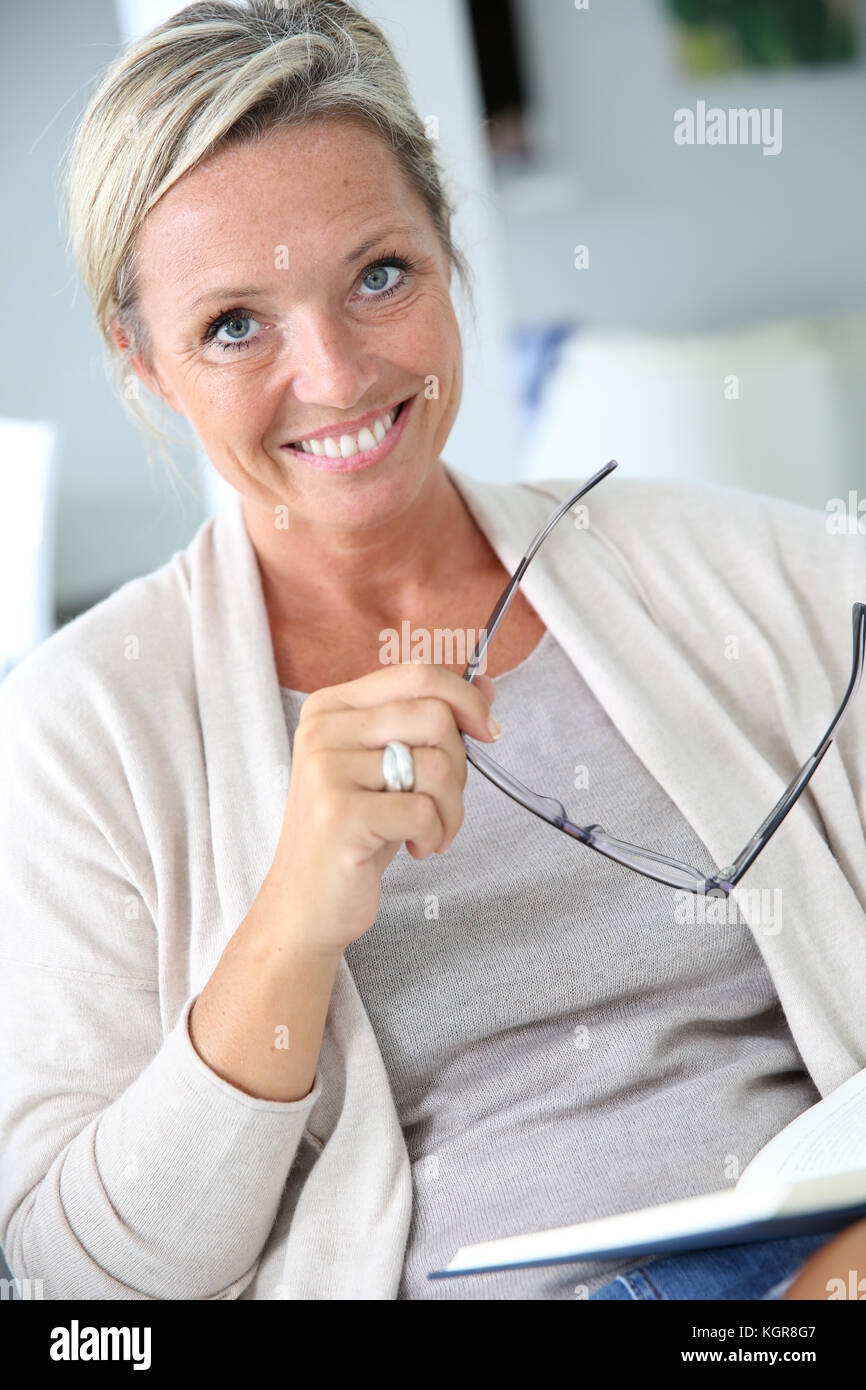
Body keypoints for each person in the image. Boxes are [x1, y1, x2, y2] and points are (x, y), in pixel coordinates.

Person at [0, 0, 864, 1302]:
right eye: (235, 323)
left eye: (378, 275)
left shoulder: (746, 572)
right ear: (142, 362)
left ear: (447, 249)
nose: (338, 374)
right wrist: (292, 917)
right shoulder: (78, 731)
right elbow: (86, 1281)